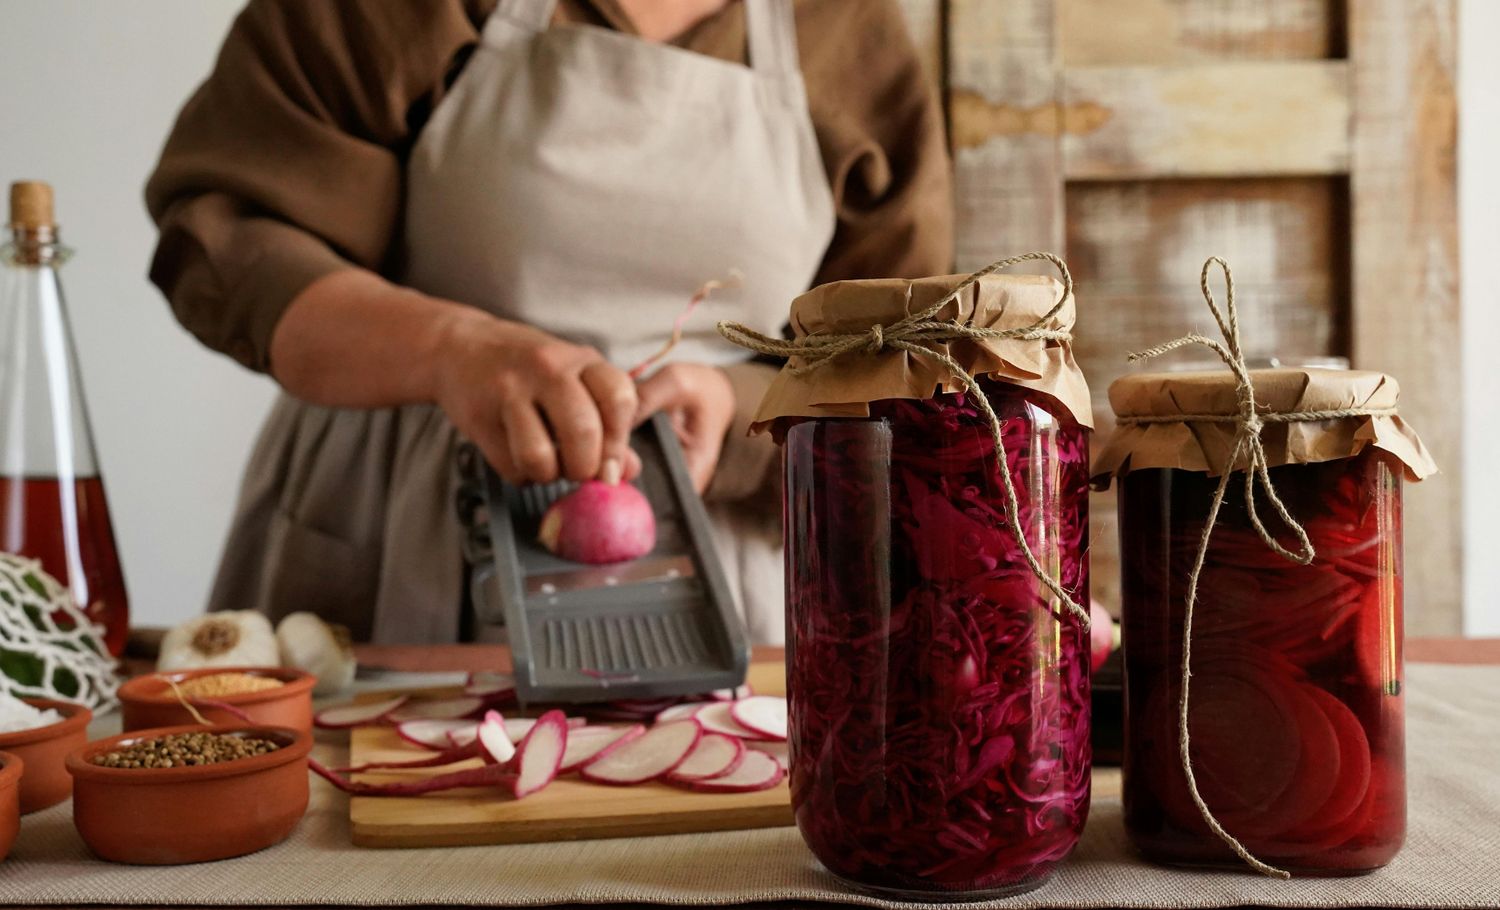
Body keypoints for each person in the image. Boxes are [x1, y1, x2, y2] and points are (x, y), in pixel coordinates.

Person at [145, 0, 954, 645]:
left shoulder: (849, 28)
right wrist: (449, 349)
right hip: (394, 533)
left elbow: (899, 353)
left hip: (720, 563)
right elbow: (230, 234)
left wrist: (742, 409)